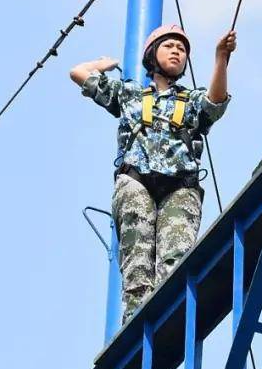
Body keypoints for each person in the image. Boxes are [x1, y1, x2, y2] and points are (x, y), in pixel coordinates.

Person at [70, 25, 236, 323]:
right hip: (137, 180)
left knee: (175, 261)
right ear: (152, 55)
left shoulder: (192, 99)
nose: (176, 51)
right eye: (169, 45)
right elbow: (78, 72)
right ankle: (136, 321)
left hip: (179, 186)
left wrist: (221, 58)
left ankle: (171, 317)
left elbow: (215, 103)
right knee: (137, 262)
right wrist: (101, 65)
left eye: (181, 49)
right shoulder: (131, 94)